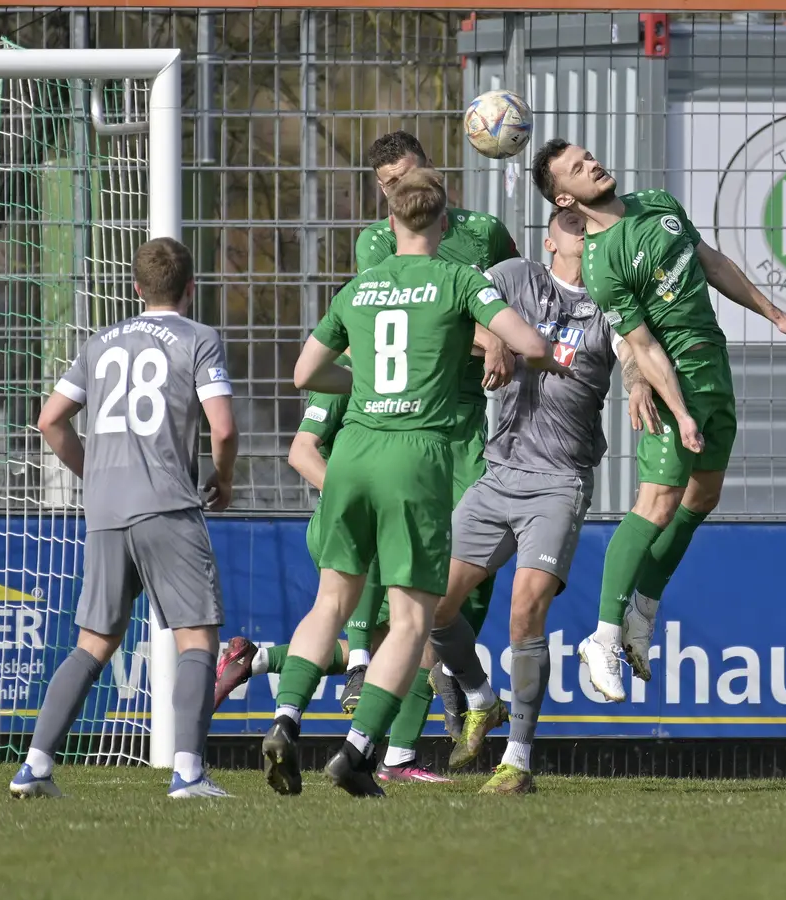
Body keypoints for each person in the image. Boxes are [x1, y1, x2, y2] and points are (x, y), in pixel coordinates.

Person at [262, 168, 565, 797]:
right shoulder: (459, 279)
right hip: (416, 456)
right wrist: (520, 355)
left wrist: (369, 387)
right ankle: (357, 753)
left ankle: (286, 721)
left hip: (353, 453)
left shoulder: (361, 285)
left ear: (391, 220)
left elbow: (304, 373)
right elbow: (531, 343)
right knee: (409, 620)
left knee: (330, 602)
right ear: (445, 219)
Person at [528, 139, 786, 701]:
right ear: (565, 196)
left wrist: (775, 313)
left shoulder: (658, 202)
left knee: (702, 499)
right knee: (656, 501)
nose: (593, 164)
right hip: (671, 380)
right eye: (578, 168)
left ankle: (642, 612)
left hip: (713, 364)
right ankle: (603, 638)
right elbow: (641, 345)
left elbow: (710, 264)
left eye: (590, 156)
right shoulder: (602, 261)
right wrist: (678, 412)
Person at [428, 207, 656, 794]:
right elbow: (455, 314)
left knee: (525, 611)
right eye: (574, 228)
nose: (585, 236)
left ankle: (518, 762)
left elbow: (632, 356)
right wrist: (491, 342)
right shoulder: (511, 278)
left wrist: (636, 387)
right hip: (497, 472)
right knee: (431, 609)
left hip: (560, 479)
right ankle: (481, 697)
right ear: (550, 239)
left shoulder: (609, 300)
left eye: (592, 230)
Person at [10, 237, 239, 800]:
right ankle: (187, 773)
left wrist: (93, 473)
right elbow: (225, 428)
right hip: (165, 501)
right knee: (197, 639)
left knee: (92, 642)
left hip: (106, 509)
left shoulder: (100, 341)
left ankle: (34, 766)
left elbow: (50, 420)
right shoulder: (199, 339)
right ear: (191, 287)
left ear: (135, 288)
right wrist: (224, 478)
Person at [347, 130, 522, 756]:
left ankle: (454, 683)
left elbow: (514, 295)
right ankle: (408, 720)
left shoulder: (486, 232)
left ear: (435, 172)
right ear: (380, 190)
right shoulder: (377, 241)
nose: (404, 190)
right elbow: (423, 319)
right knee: (410, 566)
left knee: (471, 562)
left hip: (471, 416)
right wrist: (492, 338)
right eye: (391, 184)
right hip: (411, 418)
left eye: (412, 176)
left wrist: (502, 333)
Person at [213, 354, 448, 783]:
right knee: (413, 632)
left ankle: (256, 660)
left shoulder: (398, 368)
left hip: (365, 516)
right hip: (353, 523)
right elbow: (301, 452)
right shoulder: (349, 367)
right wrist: (354, 499)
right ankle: (394, 755)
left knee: (389, 641)